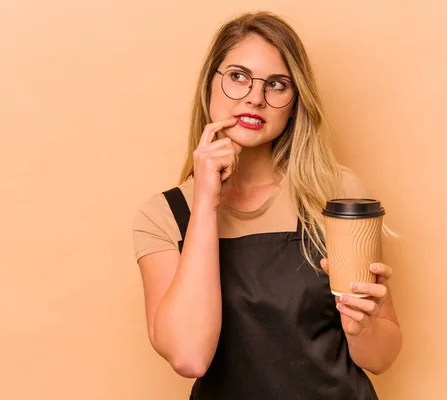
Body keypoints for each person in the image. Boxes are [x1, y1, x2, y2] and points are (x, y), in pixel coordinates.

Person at [132, 11, 402, 399]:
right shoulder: (163, 217)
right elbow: (190, 357)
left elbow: (382, 356)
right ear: (210, 83)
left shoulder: (335, 194)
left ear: (295, 103)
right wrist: (206, 203)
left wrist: (365, 329)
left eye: (277, 84)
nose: (255, 98)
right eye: (238, 77)